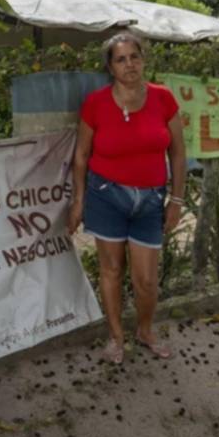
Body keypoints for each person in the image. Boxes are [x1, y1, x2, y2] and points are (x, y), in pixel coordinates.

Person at [67, 32, 186, 365]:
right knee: (111, 270)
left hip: (150, 200)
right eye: (121, 59)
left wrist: (176, 201)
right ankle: (116, 337)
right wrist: (78, 202)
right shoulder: (96, 103)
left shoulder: (163, 99)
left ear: (143, 60)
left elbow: (178, 153)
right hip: (106, 197)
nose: (129, 64)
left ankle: (145, 330)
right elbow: (81, 157)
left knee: (146, 279)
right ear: (110, 66)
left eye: (135, 56)